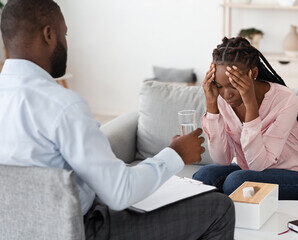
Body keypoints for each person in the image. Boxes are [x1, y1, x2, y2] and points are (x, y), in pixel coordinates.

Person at [0, 0, 235, 239]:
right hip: (81, 231)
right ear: (49, 35)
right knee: (219, 208)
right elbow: (119, 192)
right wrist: (176, 153)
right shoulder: (62, 105)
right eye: (65, 34)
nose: (66, 43)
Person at [193, 37, 298, 200]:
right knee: (204, 176)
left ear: (254, 74)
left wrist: (250, 104)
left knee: (236, 182)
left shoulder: (285, 99)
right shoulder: (221, 99)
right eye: (220, 86)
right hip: (248, 171)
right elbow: (222, 160)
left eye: (234, 84)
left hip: (294, 176)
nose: (227, 94)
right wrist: (212, 105)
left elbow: (258, 166)